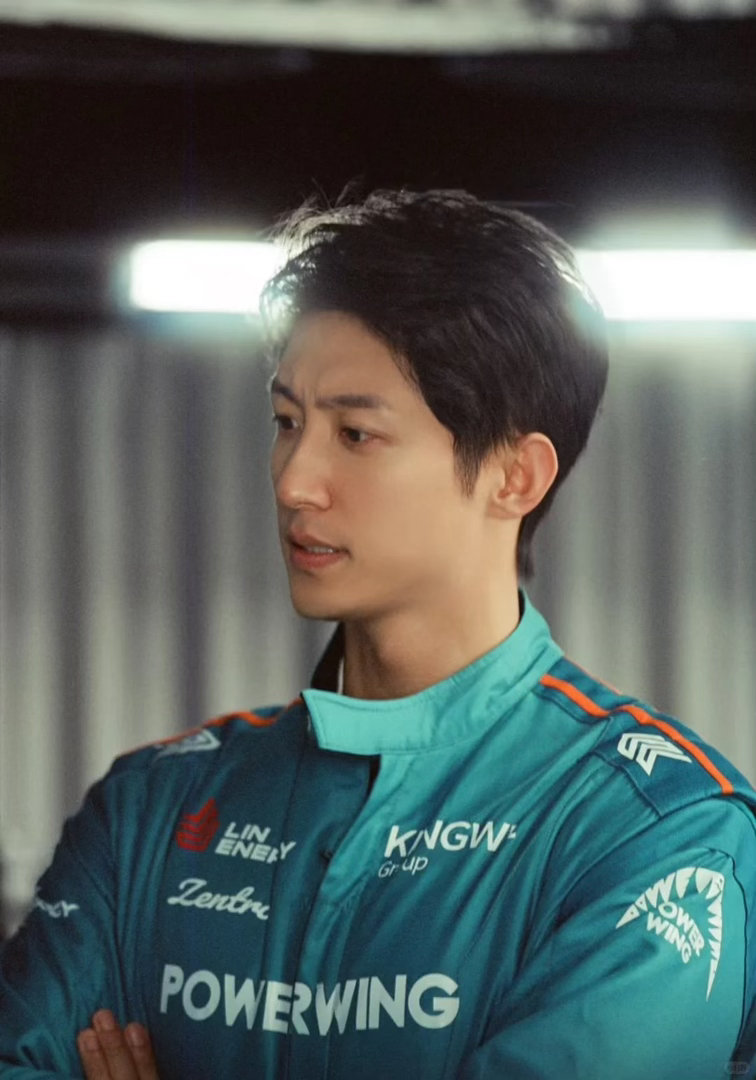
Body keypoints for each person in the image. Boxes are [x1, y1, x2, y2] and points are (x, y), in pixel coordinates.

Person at [1, 188, 754, 1080]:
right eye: (287, 423)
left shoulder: (660, 836)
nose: (294, 481)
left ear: (514, 476)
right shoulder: (149, 812)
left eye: (355, 434)